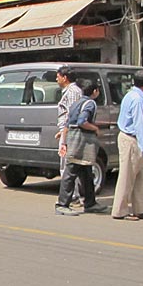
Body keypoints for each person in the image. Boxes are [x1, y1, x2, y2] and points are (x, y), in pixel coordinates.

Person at [54, 80, 107, 216]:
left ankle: (90, 203)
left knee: (86, 171)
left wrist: (64, 139)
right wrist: (95, 128)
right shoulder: (90, 103)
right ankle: (62, 204)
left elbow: (67, 123)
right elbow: (82, 121)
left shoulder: (76, 103)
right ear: (94, 91)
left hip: (73, 138)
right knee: (71, 171)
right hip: (82, 140)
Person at [111, 70, 143, 221]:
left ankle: (142, 209)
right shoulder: (137, 99)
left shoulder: (132, 95)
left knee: (142, 176)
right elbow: (139, 125)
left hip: (135, 139)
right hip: (132, 140)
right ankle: (120, 211)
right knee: (127, 176)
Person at [55, 67, 83, 203]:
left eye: (58, 76)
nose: (57, 79)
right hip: (66, 131)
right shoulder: (70, 91)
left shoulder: (72, 92)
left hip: (70, 133)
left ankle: (72, 195)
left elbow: (71, 116)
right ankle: (74, 194)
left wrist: (64, 133)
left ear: (65, 77)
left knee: (67, 165)